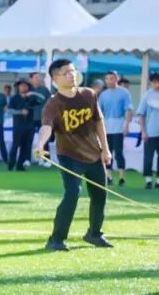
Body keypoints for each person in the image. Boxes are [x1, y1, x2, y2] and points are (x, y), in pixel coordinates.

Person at [34, 59, 113, 251]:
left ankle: (94, 234)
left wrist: (105, 149)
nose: (72, 75)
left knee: (100, 195)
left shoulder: (89, 94)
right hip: (69, 157)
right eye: (67, 72)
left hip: (94, 154)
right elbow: (46, 127)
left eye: (73, 71)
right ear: (55, 78)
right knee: (72, 194)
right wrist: (40, 144)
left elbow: (99, 122)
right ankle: (56, 239)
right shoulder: (54, 103)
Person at [97, 70, 133, 187]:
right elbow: (99, 111)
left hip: (118, 126)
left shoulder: (124, 93)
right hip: (106, 127)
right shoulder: (103, 94)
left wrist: (126, 125)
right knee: (107, 152)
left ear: (117, 79)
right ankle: (109, 177)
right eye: (107, 79)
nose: (109, 81)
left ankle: (121, 177)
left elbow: (128, 110)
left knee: (118, 153)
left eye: (111, 78)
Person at [138, 72, 159, 189]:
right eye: (155, 82)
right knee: (148, 158)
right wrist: (143, 132)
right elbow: (141, 115)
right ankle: (148, 180)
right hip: (150, 133)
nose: (157, 84)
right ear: (151, 82)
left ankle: (158, 181)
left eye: (158, 82)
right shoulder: (147, 95)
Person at [6, 80, 34, 171]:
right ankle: (11, 164)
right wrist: (20, 112)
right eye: (21, 86)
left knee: (25, 147)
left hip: (29, 125)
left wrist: (32, 95)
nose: (23, 87)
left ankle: (20, 165)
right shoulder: (14, 98)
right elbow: (9, 111)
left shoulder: (31, 98)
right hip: (18, 125)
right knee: (15, 145)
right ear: (18, 87)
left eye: (25, 86)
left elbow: (41, 100)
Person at [30, 71, 52, 165]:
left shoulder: (44, 90)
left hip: (42, 118)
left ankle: (46, 160)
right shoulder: (28, 89)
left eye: (38, 77)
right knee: (28, 139)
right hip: (30, 118)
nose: (38, 79)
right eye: (35, 77)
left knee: (44, 139)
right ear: (31, 79)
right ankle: (28, 159)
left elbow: (50, 102)